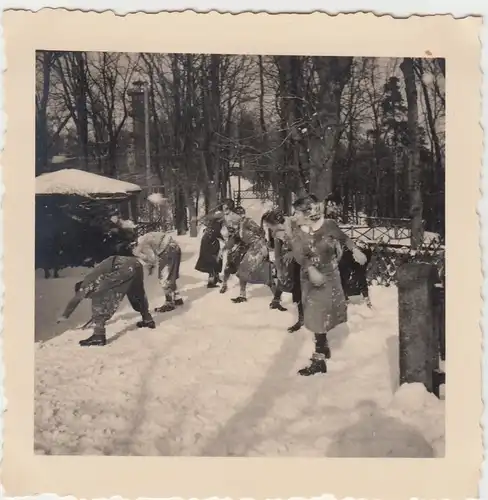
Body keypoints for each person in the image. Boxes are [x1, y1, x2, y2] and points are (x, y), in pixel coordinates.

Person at [285, 194, 367, 376]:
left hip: (330, 275)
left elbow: (344, 238)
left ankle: (321, 351)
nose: (294, 216)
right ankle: (320, 354)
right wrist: (310, 268)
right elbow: (299, 254)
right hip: (311, 278)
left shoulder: (328, 225)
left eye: (297, 212)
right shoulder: (297, 231)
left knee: (322, 313)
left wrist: (355, 250)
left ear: (309, 213)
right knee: (315, 315)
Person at [56, 255, 156, 347]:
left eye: (87, 295)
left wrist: (64, 315)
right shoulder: (96, 277)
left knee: (100, 298)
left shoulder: (86, 283)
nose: (88, 297)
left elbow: (75, 300)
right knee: (137, 292)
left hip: (122, 267)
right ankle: (147, 319)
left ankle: (98, 336)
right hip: (135, 264)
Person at [323, 195, 373, 308]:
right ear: (330, 204)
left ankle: (346, 298)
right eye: (335, 207)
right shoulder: (323, 219)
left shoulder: (330, 218)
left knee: (347, 271)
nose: (337, 210)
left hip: (337, 251)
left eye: (338, 207)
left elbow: (339, 236)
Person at [262, 208, 304, 333]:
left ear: (277, 223)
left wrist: (293, 252)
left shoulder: (295, 225)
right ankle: (302, 317)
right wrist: (279, 267)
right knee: (296, 289)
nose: (269, 229)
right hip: (293, 263)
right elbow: (277, 252)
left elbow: (306, 242)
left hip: (305, 260)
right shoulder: (277, 233)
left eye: (270, 226)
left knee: (304, 288)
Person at [132, 231, 184, 313]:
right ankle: (177, 298)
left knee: (164, 278)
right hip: (175, 247)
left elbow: (151, 258)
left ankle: (169, 303)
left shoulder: (141, 243)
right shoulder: (146, 236)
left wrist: (149, 265)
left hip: (167, 251)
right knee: (171, 276)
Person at [195, 216, 224, 288]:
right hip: (210, 248)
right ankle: (211, 283)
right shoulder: (216, 225)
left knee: (215, 262)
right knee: (212, 264)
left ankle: (216, 278)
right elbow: (216, 234)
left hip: (209, 247)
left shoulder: (211, 226)